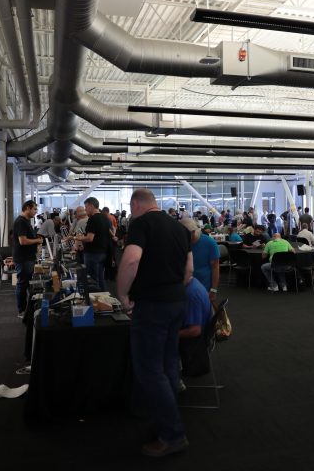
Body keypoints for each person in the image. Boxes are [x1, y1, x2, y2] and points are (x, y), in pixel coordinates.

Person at [116, 188, 193, 458]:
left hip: (152, 306)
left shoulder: (141, 224)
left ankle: (172, 434)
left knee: (149, 370)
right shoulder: (181, 228)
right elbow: (189, 270)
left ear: (136, 205)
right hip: (177, 301)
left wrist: (123, 295)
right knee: (169, 364)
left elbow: (131, 260)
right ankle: (167, 422)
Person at [178, 277, 214, 381]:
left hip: (196, 341)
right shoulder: (194, 282)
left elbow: (195, 331)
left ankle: (173, 380)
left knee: (157, 336)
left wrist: (171, 334)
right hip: (202, 334)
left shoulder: (191, 294)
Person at [179, 218, 221, 305]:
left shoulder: (210, 243)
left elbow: (215, 267)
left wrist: (214, 290)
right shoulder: (181, 242)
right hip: (184, 288)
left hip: (204, 288)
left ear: (193, 232)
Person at [72, 197, 110, 292]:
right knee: (100, 279)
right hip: (103, 252)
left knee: (93, 281)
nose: (85, 210)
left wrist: (77, 238)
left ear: (91, 206)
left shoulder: (93, 219)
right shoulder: (104, 217)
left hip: (93, 254)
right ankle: (104, 298)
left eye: (86, 207)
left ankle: (96, 299)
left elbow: (89, 238)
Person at [12, 200, 43, 317]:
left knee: (25, 283)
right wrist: (37, 240)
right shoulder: (21, 222)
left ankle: (26, 309)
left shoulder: (25, 221)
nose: (36, 211)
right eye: (34, 209)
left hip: (27, 258)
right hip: (23, 258)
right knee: (22, 284)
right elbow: (23, 241)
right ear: (27, 208)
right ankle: (21, 311)